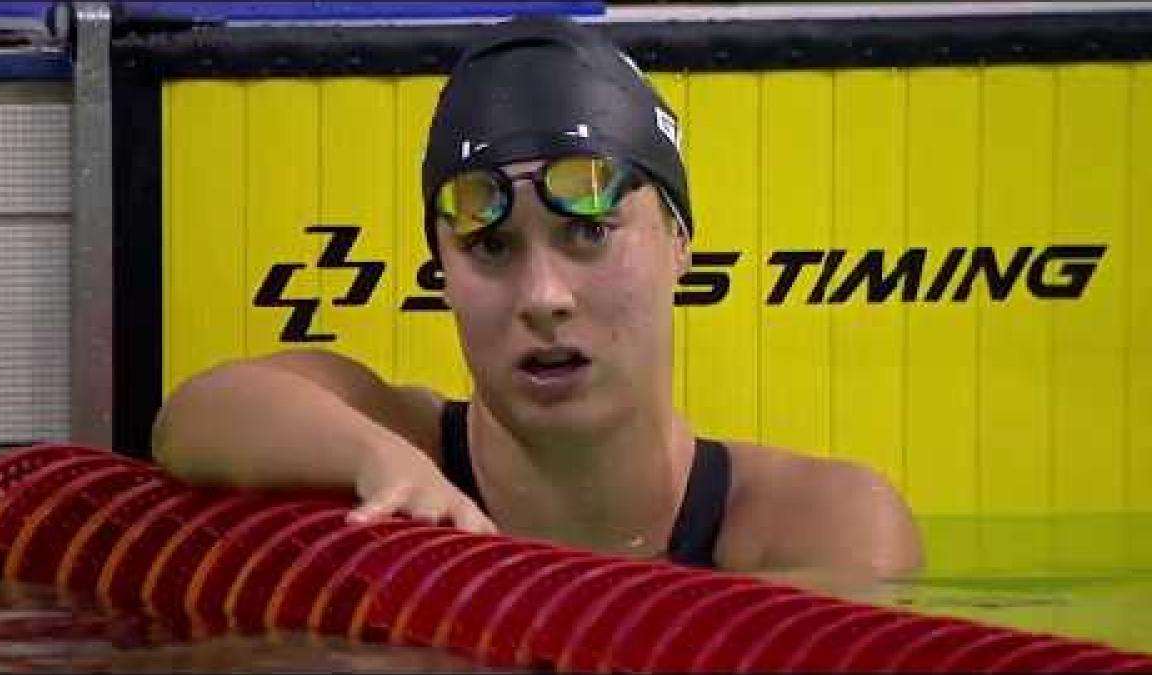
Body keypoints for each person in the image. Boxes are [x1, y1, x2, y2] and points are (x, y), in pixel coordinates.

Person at [151, 15, 921, 583]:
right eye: (490, 247)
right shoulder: (400, 454)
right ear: (442, 273)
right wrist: (375, 458)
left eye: (588, 232)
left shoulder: (817, 529)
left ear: (680, 240)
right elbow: (193, 414)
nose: (544, 297)